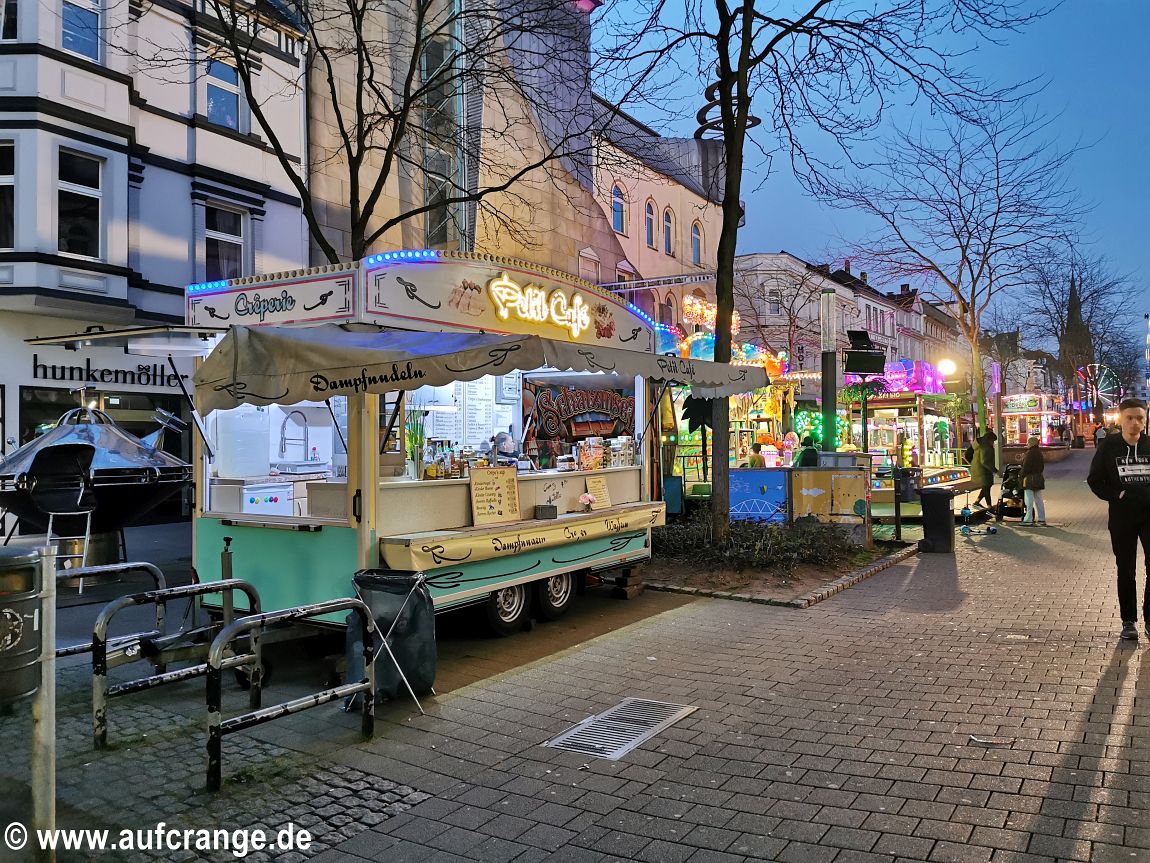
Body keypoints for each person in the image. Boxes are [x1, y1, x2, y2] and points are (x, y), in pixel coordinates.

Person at [1088, 397, 1150, 641]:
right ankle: (1128, 621)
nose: (1135, 423)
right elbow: (1095, 480)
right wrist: (1116, 495)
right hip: (1122, 518)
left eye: (1139, 418)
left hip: (1149, 516)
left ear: (1145, 421)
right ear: (1121, 419)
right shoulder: (1109, 447)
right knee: (1126, 570)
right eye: (1130, 418)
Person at [1019, 435, 1046, 526]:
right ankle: (1042, 518)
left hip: (1030, 479)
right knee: (1039, 499)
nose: (1027, 444)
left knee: (1029, 500)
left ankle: (1028, 519)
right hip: (1038, 478)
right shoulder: (1039, 452)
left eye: (1028, 442)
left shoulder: (1030, 453)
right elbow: (1042, 466)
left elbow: (1026, 467)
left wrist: (1021, 475)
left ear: (1031, 443)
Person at [970, 431, 997, 508]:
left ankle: (977, 502)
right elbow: (984, 461)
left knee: (986, 486)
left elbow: (966, 454)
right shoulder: (986, 447)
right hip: (983, 470)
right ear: (989, 439)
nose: (993, 443)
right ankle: (989, 506)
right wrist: (994, 470)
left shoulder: (979, 445)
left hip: (978, 468)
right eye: (993, 441)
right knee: (986, 487)